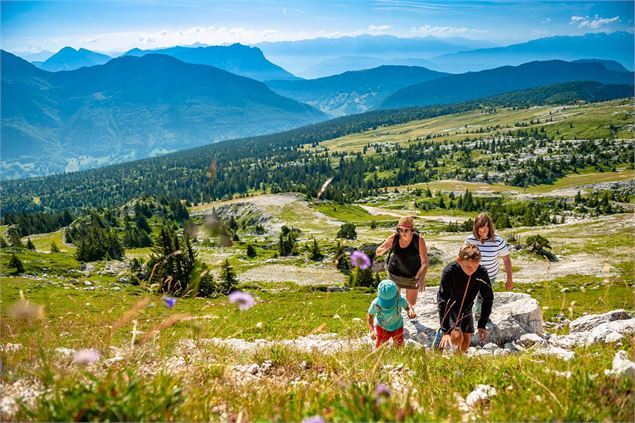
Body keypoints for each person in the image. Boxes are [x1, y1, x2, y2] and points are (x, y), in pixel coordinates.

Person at [437, 244, 493, 353]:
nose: (472, 270)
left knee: (467, 339)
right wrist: (446, 331)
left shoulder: (481, 272)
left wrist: (482, 324)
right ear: (459, 260)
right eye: (468, 267)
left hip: (467, 307)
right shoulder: (449, 271)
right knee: (457, 338)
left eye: (476, 266)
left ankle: (458, 359)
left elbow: (488, 298)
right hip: (451, 307)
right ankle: (440, 339)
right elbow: (442, 300)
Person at [375, 216, 428, 315]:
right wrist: (384, 248)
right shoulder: (394, 237)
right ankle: (395, 317)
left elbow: (425, 262)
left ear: (412, 230)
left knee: (412, 302)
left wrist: (422, 278)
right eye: (400, 229)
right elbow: (378, 252)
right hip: (395, 273)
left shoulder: (419, 240)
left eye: (406, 230)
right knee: (394, 299)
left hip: (413, 275)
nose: (403, 232)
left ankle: (409, 308)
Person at [465, 212, 513, 291]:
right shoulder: (470, 239)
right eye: (479, 231)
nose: (482, 234)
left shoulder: (498, 241)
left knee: (482, 300)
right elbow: (463, 257)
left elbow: (506, 259)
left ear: (489, 227)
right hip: (472, 275)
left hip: (489, 277)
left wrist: (509, 280)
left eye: (484, 231)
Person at [368, 279, 416, 348]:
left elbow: (407, 307)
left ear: (397, 294)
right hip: (381, 328)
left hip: (397, 327)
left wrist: (410, 310)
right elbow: (370, 316)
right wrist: (372, 331)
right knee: (380, 349)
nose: (387, 306)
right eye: (384, 302)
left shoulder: (400, 300)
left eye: (390, 301)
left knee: (399, 347)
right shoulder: (375, 303)